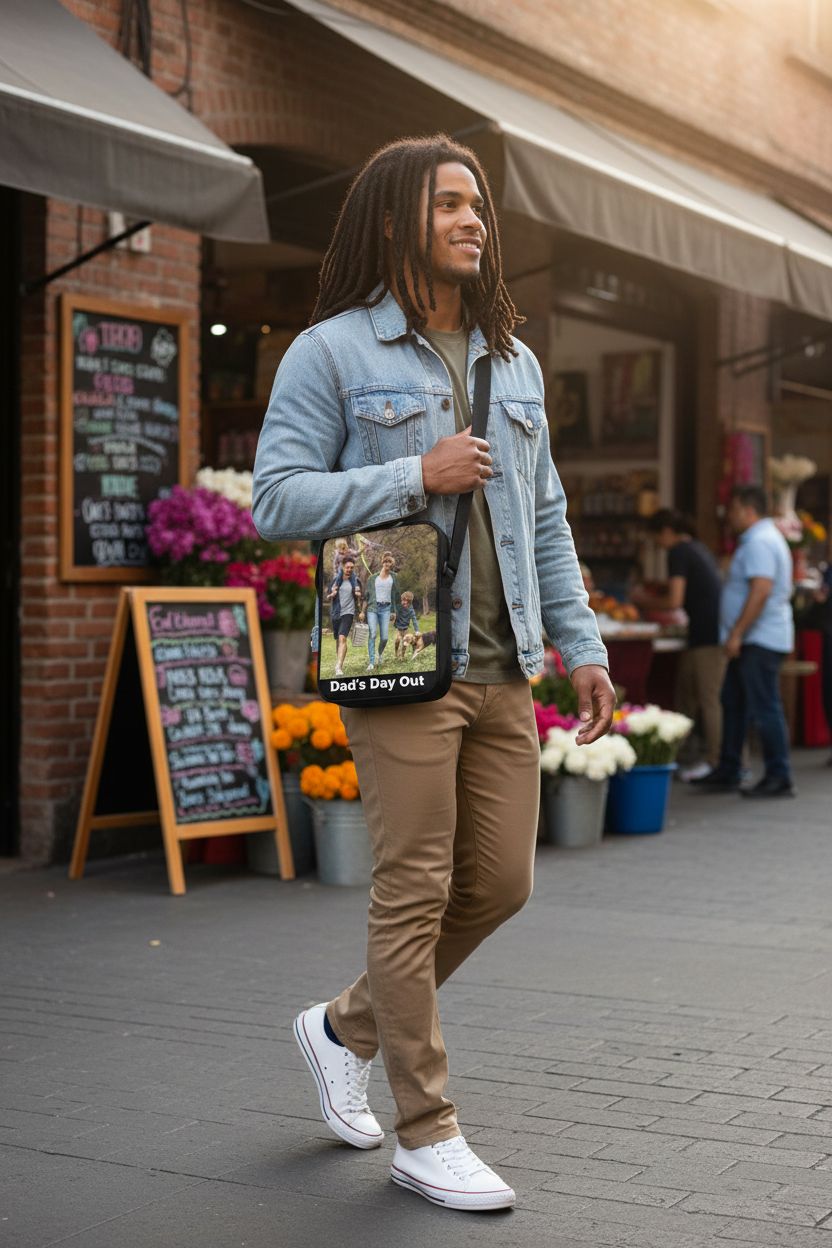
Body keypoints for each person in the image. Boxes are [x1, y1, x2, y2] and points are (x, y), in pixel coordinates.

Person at [252, 134, 613, 1213]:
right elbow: (275, 501)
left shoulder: (516, 360)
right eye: (451, 203)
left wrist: (584, 647)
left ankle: (340, 1028)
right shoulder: (330, 353)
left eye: (480, 206)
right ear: (396, 216)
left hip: (504, 667)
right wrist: (414, 470)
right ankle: (426, 1128)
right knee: (410, 893)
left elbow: (543, 515)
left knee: (500, 882)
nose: (473, 221)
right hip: (400, 654)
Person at [698, 485, 795, 797]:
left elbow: (761, 590)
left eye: (734, 509)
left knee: (764, 707)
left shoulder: (760, 542)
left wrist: (737, 632)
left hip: (758, 639)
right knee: (734, 702)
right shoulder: (760, 539)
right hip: (755, 637)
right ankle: (729, 768)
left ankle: (779, 775)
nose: (729, 516)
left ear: (748, 509)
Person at [637, 509, 725, 779]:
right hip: (704, 632)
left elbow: (675, 601)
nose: (657, 545)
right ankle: (680, 754)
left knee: (709, 699)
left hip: (708, 636)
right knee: (686, 694)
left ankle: (716, 761)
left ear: (665, 532)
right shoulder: (696, 547)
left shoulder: (678, 552)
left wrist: (642, 600)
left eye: (655, 539)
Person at [326, 557, 363, 678]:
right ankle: (338, 662)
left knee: (342, 638)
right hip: (336, 613)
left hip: (349, 612)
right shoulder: (336, 580)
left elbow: (360, 596)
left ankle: (339, 667)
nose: (349, 569)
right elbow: (328, 595)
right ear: (342, 567)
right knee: (338, 639)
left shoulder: (356, 581)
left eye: (352, 567)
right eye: (347, 567)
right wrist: (331, 594)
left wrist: (358, 595)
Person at [365, 551, 400, 671]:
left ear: (392, 564)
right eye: (385, 561)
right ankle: (371, 661)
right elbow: (367, 596)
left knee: (384, 637)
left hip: (386, 609)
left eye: (389, 561)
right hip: (373, 608)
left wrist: (394, 611)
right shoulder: (372, 578)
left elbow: (395, 595)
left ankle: (380, 654)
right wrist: (361, 611)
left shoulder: (394, 577)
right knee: (373, 634)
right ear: (382, 562)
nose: (387, 563)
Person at [394, 590, 420, 659]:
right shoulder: (399, 607)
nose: (404, 602)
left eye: (407, 601)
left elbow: (414, 620)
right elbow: (393, 614)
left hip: (406, 629)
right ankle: (396, 653)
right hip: (398, 629)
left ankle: (402, 656)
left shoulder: (411, 610)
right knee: (397, 640)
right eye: (403, 600)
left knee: (405, 643)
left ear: (410, 602)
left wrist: (417, 630)